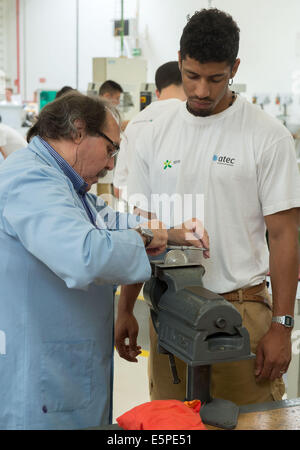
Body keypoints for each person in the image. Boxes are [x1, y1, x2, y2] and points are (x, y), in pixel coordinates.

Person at [115, 8, 300, 406]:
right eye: (192, 76)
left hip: (242, 312)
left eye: (215, 79)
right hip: (171, 312)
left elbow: (285, 236)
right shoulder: (151, 131)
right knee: (173, 425)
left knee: (250, 418)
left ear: (234, 68)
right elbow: (141, 227)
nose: (201, 90)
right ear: (180, 59)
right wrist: (126, 306)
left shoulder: (267, 137)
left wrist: (282, 327)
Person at [0, 91, 168, 430]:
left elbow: (103, 219)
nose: (110, 165)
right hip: (44, 377)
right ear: (78, 131)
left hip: (67, 364)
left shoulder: (61, 181)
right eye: (110, 150)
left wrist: (171, 232)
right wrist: (147, 238)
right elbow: (84, 254)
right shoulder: (31, 178)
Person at [113, 61, 186, 200]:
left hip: (140, 216)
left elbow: (118, 189)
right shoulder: (191, 121)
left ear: (157, 92)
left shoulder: (134, 123)